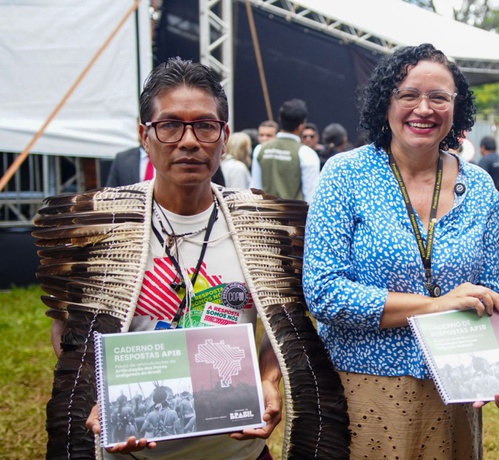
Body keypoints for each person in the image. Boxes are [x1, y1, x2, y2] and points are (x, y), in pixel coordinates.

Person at [36, 58, 349, 460]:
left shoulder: (262, 229)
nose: (188, 141)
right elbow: (68, 328)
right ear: (144, 136)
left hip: (238, 450)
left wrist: (270, 379)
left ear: (224, 136)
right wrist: (102, 393)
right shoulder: (103, 225)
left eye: (204, 125)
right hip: (133, 449)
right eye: (169, 125)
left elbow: (280, 329)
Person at [303, 43, 499, 460]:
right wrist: (434, 307)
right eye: (408, 95)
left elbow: (489, 288)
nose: (424, 108)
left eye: (439, 97)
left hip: (454, 386)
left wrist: (493, 364)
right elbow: (323, 292)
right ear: (386, 102)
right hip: (362, 386)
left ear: (457, 108)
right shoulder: (345, 174)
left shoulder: (481, 186)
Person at [249, 99, 321, 203]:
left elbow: (254, 190)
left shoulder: (261, 149)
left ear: (280, 120)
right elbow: (311, 196)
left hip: (265, 216)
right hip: (295, 218)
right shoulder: (307, 154)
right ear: (301, 126)